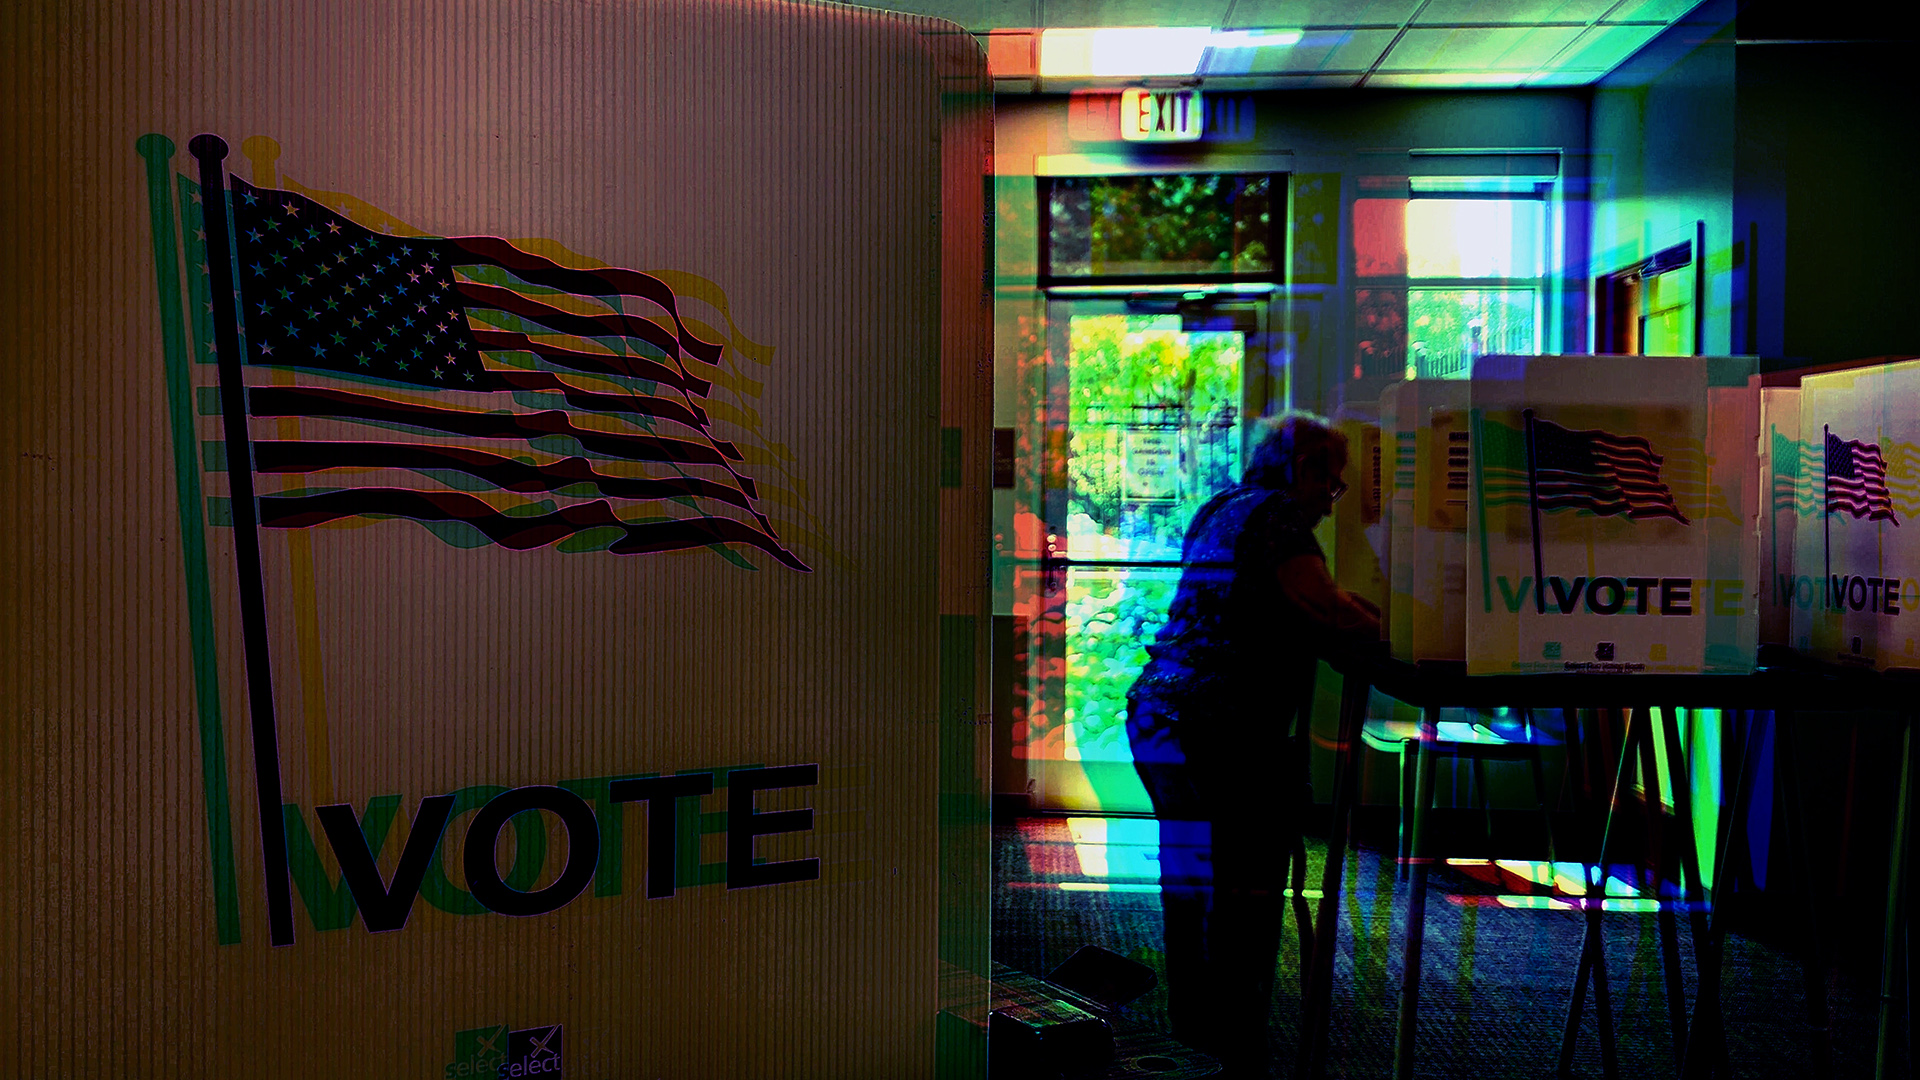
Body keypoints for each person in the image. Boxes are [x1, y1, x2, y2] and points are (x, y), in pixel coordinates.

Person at [1124, 411, 1381, 1079]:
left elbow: (1265, 600)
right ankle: (1232, 1050)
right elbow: (1322, 608)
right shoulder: (1279, 517)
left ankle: (1194, 1038)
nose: (1335, 495)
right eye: (1332, 479)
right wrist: (1401, 630)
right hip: (1223, 729)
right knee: (1243, 895)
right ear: (1303, 471)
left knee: (1191, 885)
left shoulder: (1224, 506)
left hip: (1165, 718)